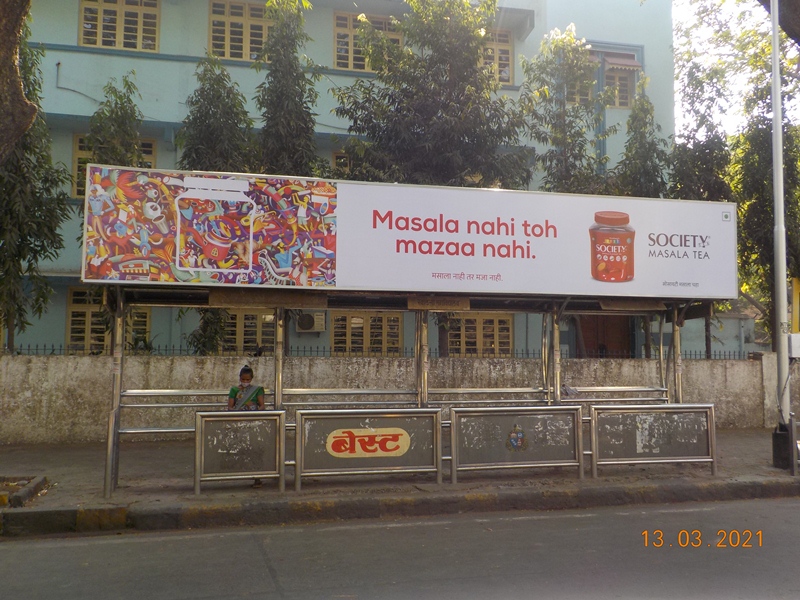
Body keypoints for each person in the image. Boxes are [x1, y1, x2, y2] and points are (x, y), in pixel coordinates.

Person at [227, 365, 267, 488]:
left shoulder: (257, 390)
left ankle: (257, 477)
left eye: (247, 380)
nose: (245, 382)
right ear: (240, 378)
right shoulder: (234, 390)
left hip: (253, 423)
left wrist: (253, 408)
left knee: (254, 449)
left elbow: (262, 406)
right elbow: (229, 407)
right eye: (243, 379)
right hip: (239, 422)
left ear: (251, 379)